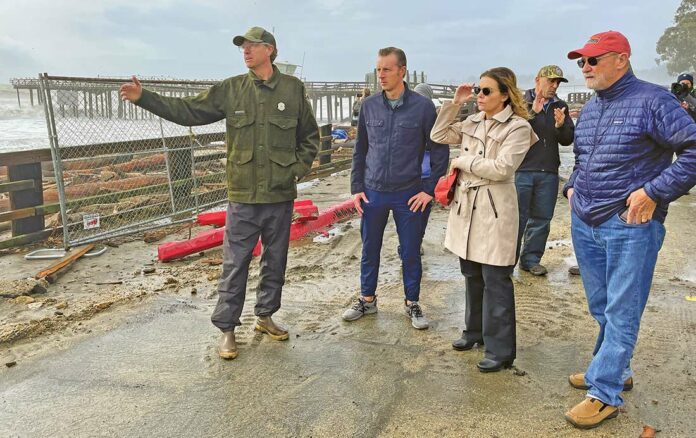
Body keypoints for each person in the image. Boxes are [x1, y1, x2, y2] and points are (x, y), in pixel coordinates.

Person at [119, 26, 319, 360]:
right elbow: (189, 111)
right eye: (242, 46)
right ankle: (227, 329)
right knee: (235, 263)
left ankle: (266, 316)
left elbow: (310, 137)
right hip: (242, 196)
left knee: (276, 260)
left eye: (252, 46)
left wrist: (294, 170)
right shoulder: (231, 89)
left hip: (279, 196)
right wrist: (146, 99)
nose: (245, 51)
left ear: (269, 50)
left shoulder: (292, 89)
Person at [563, 30, 696, 429]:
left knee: (623, 309)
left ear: (621, 59)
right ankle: (614, 367)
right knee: (602, 305)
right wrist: (571, 186)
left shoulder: (654, 100)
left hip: (630, 224)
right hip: (586, 220)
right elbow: (581, 157)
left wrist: (654, 192)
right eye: (581, 62)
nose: (585, 68)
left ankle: (605, 392)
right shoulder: (589, 108)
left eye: (593, 60)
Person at [430, 67, 537, 372]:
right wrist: (455, 103)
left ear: (505, 94)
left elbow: (503, 168)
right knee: (471, 273)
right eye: (478, 89)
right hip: (467, 208)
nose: (479, 95)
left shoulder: (517, 128)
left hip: (495, 208)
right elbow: (437, 134)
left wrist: (464, 161)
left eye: (486, 91)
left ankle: (500, 350)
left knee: (496, 279)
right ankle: (473, 331)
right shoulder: (472, 121)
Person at [342, 47, 448, 329]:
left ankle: (412, 303)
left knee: (411, 251)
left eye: (387, 69)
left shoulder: (423, 108)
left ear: (402, 71)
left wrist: (429, 189)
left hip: (409, 193)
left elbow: (439, 151)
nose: (381, 75)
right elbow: (360, 149)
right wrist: (357, 187)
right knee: (369, 249)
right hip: (374, 192)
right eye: (378, 69)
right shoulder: (369, 105)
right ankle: (367, 300)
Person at [516, 65, 575, 276]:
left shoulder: (560, 105)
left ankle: (531, 260)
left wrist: (561, 126)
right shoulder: (520, 103)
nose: (554, 86)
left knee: (542, 218)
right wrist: (533, 113)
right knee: (516, 218)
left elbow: (568, 140)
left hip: (549, 170)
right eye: (551, 81)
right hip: (521, 170)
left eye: (558, 82)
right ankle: (506, 262)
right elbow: (511, 133)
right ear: (537, 79)